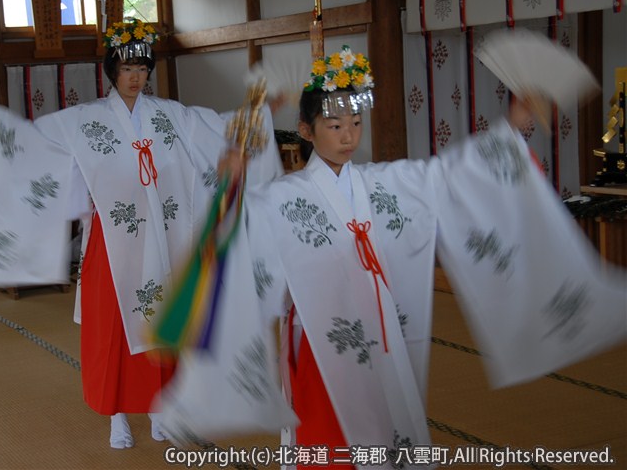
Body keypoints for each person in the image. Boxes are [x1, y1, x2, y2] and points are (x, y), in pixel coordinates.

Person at [156, 44, 627, 469]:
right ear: (305, 130)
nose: (347, 136)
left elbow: (448, 176)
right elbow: (236, 233)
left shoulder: (382, 183)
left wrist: (515, 125)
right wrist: (233, 184)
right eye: (334, 125)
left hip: (383, 330)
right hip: (323, 342)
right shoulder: (283, 197)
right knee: (330, 440)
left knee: (387, 423)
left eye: (355, 123)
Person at [0, 19, 283, 449]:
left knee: (161, 327)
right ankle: (117, 414)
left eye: (142, 68)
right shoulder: (84, 120)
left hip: (163, 242)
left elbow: (219, 131)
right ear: (112, 70)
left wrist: (256, 117)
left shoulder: (171, 116)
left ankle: (157, 408)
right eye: (127, 68)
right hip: (112, 246)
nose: (136, 77)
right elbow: (32, 143)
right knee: (113, 334)